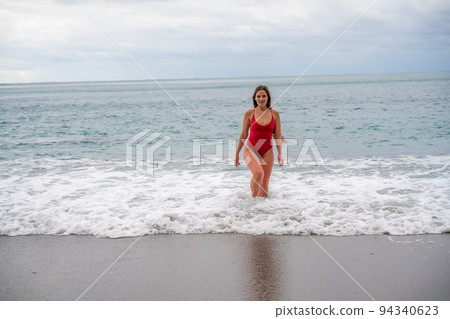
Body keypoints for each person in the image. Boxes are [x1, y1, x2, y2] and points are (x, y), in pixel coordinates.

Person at [234, 85, 284, 197]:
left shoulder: (274, 114)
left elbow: (278, 135)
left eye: (263, 96)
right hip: (250, 150)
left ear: (268, 98)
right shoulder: (249, 113)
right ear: (255, 98)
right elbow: (243, 134)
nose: (261, 99)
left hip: (267, 151)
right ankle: (252, 202)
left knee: (265, 185)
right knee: (258, 173)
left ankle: (261, 212)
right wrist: (237, 153)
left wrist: (280, 153)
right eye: (258, 96)